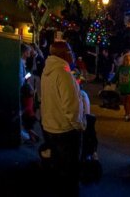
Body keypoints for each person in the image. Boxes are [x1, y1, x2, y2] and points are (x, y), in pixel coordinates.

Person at [41, 41, 86, 196]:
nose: (72, 53)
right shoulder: (63, 73)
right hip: (65, 130)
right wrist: (78, 125)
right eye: (70, 50)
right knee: (70, 172)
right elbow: (71, 107)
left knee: (57, 168)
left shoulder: (48, 71)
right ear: (64, 54)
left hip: (50, 126)